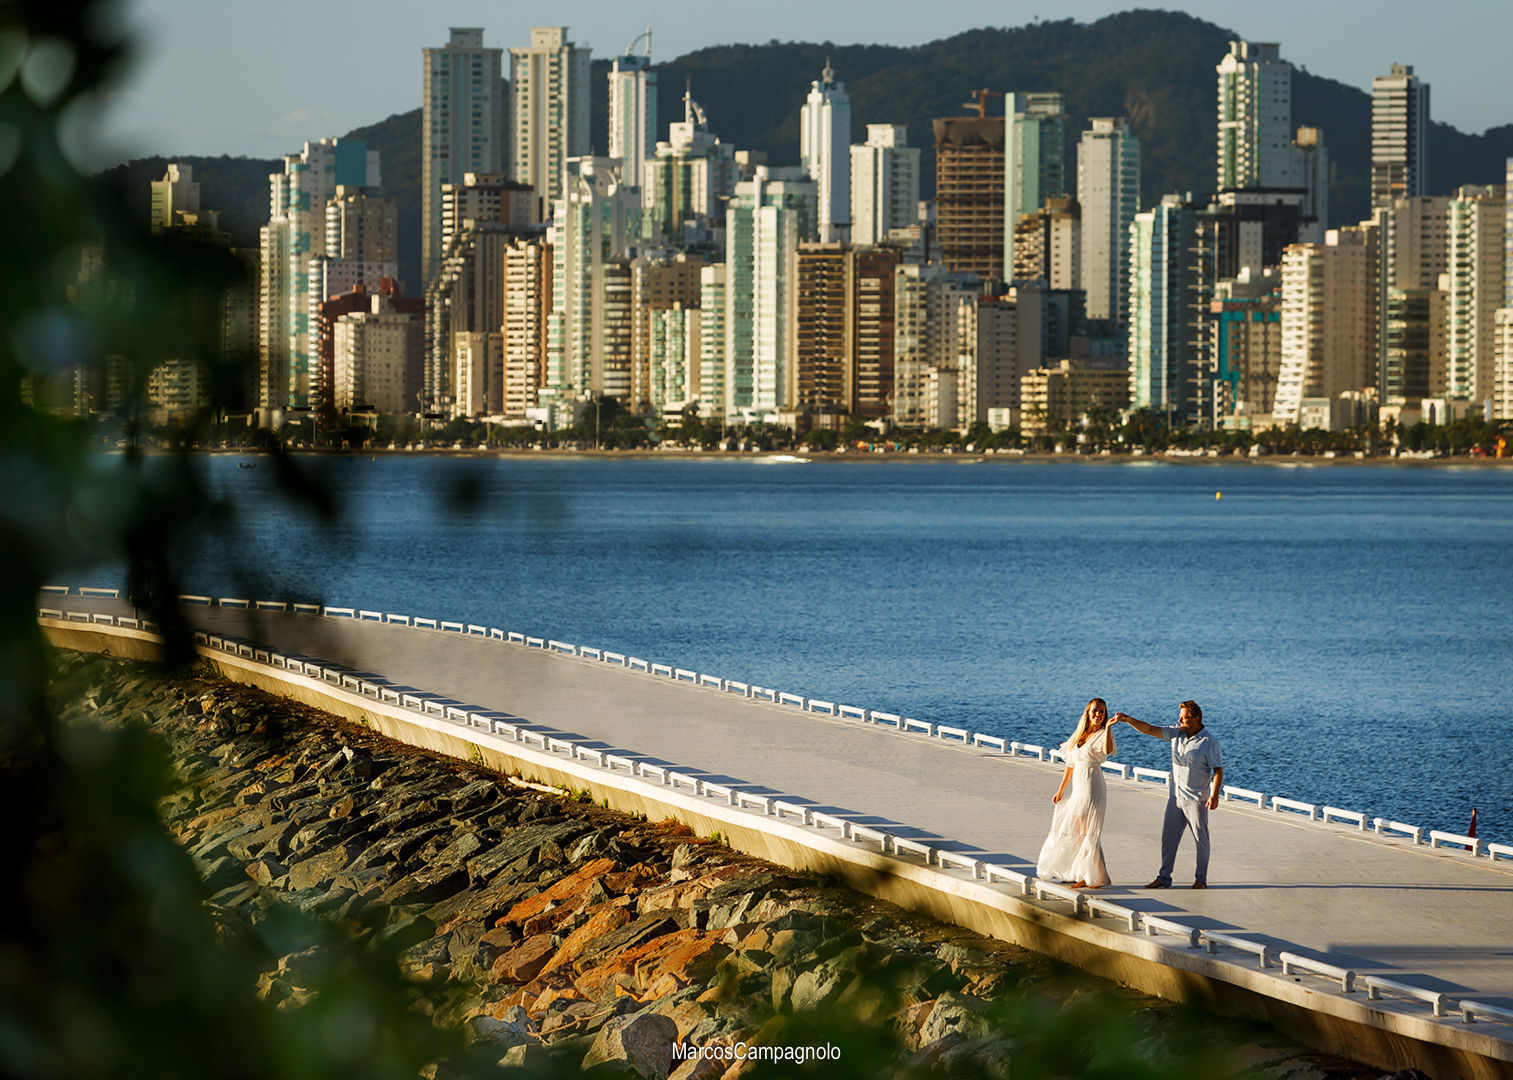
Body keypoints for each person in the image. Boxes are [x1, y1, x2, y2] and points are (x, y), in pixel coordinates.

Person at [1113, 700, 1223, 889]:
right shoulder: (1176, 733)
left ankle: (1200, 880)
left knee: (1201, 839)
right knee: (1168, 838)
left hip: (1196, 800)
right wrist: (1128, 720)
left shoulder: (1208, 742)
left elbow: (1218, 770)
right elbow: (1149, 729)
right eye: (1180, 716)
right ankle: (1164, 878)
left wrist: (1214, 795)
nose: (1180, 720)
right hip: (1175, 798)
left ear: (1196, 718)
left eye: (1185, 717)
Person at [1035, 698, 1116, 889]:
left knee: (1089, 831)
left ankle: (1091, 877)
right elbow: (1070, 765)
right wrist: (1061, 789)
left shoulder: (1104, 733)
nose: (1098, 715)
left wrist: (1110, 727)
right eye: (1095, 711)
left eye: (1102, 712)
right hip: (1079, 787)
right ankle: (1087, 874)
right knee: (1079, 831)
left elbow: (1106, 751)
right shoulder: (1081, 733)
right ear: (1088, 712)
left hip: (1093, 787)